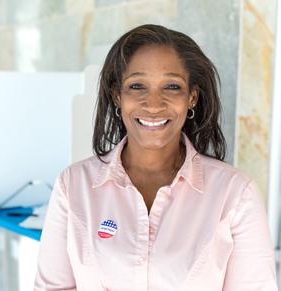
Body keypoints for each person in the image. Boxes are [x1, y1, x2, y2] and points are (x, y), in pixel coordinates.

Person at [34, 24, 278, 290]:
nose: (153, 104)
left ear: (192, 97)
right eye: (137, 86)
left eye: (172, 86)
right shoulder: (73, 185)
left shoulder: (235, 194)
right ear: (117, 95)